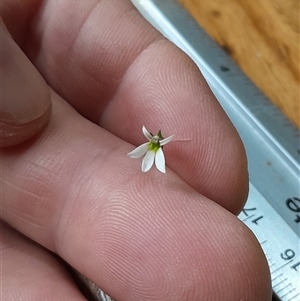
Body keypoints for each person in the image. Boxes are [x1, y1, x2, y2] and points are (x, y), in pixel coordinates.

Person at [1, 0, 272, 300]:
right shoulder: (149, 145)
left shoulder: (154, 147)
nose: (155, 144)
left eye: (155, 143)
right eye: (154, 143)